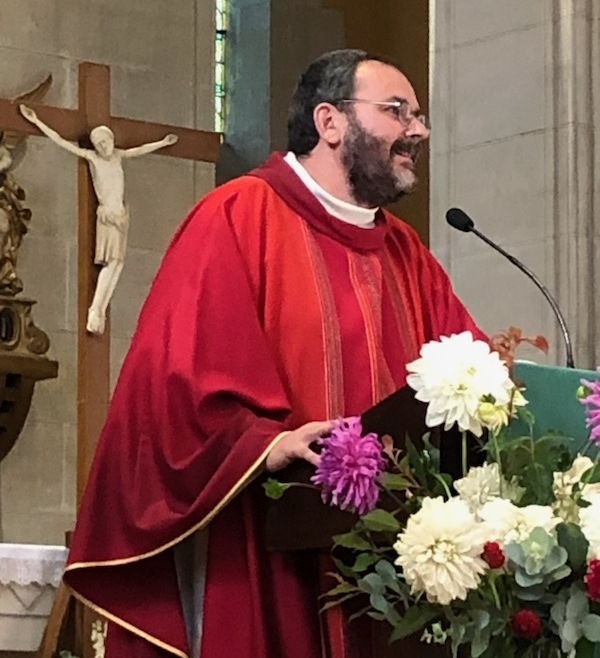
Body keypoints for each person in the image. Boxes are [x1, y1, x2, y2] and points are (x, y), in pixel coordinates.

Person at [63, 49, 485, 658]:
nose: (416, 130)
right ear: (330, 122)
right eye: (397, 111)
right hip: (272, 549)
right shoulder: (238, 217)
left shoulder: (407, 253)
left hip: (398, 568)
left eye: (418, 115)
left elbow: (469, 372)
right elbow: (177, 380)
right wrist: (266, 442)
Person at [18, 104, 178, 335]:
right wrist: (36, 121)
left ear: (112, 140)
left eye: (106, 141)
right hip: (107, 216)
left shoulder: (118, 156)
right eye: (99, 144)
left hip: (121, 216)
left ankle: (100, 308)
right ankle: (96, 309)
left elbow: (141, 149)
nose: (104, 147)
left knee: (118, 264)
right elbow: (61, 141)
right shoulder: (93, 158)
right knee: (111, 262)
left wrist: (163, 143)